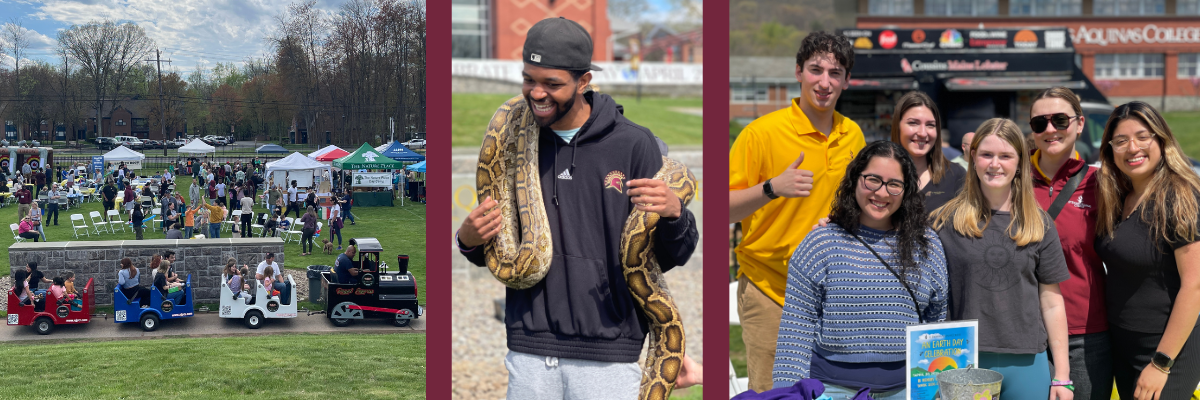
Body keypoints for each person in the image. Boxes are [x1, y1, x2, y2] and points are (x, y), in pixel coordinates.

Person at [457, 17, 701, 398]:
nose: (537, 93)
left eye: (552, 84)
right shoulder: (513, 144)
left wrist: (674, 214)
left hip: (608, 357)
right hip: (530, 352)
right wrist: (469, 240)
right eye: (528, 80)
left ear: (584, 81)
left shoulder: (633, 145)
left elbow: (671, 256)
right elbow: (499, 255)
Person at [727, 31, 864, 391]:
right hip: (773, 291)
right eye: (816, 70)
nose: (824, 82)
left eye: (835, 73)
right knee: (777, 394)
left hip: (836, 294)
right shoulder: (761, 134)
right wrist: (773, 188)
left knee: (834, 392)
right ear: (798, 72)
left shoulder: (854, 136)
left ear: (847, 81)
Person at [771, 141, 949, 398]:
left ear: (906, 190)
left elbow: (937, 321)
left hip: (909, 389)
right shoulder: (820, 243)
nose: (882, 192)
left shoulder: (927, 245)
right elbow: (796, 329)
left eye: (894, 184)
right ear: (855, 180)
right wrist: (788, 394)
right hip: (831, 390)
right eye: (872, 180)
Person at [930, 118, 1073, 400]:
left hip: (1027, 361)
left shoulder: (1039, 224)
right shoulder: (943, 221)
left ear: (1020, 162)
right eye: (986, 155)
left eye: (1005, 156)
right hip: (962, 362)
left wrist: (1062, 377)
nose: (995, 164)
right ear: (973, 158)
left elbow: (1052, 302)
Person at [1092, 101, 1200, 399]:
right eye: (1121, 141)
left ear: (1161, 139)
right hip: (1123, 343)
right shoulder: (1120, 197)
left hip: (1165, 349)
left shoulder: (1180, 196)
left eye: (1143, 136)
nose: (1132, 148)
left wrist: (1162, 363)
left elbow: (1195, 286)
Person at [1024, 87, 1113, 400]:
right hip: (1023, 332)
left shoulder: (1101, 183)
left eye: (1060, 120)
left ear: (1079, 124)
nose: (1050, 130)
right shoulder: (1013, 182)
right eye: (1040, 123)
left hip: (1085, 334)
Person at [889, 92, 966, 211]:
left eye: (930, 125)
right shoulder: (881, 175)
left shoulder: (956, 175)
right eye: (913, 123)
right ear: (897, 126)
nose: (922, 133)